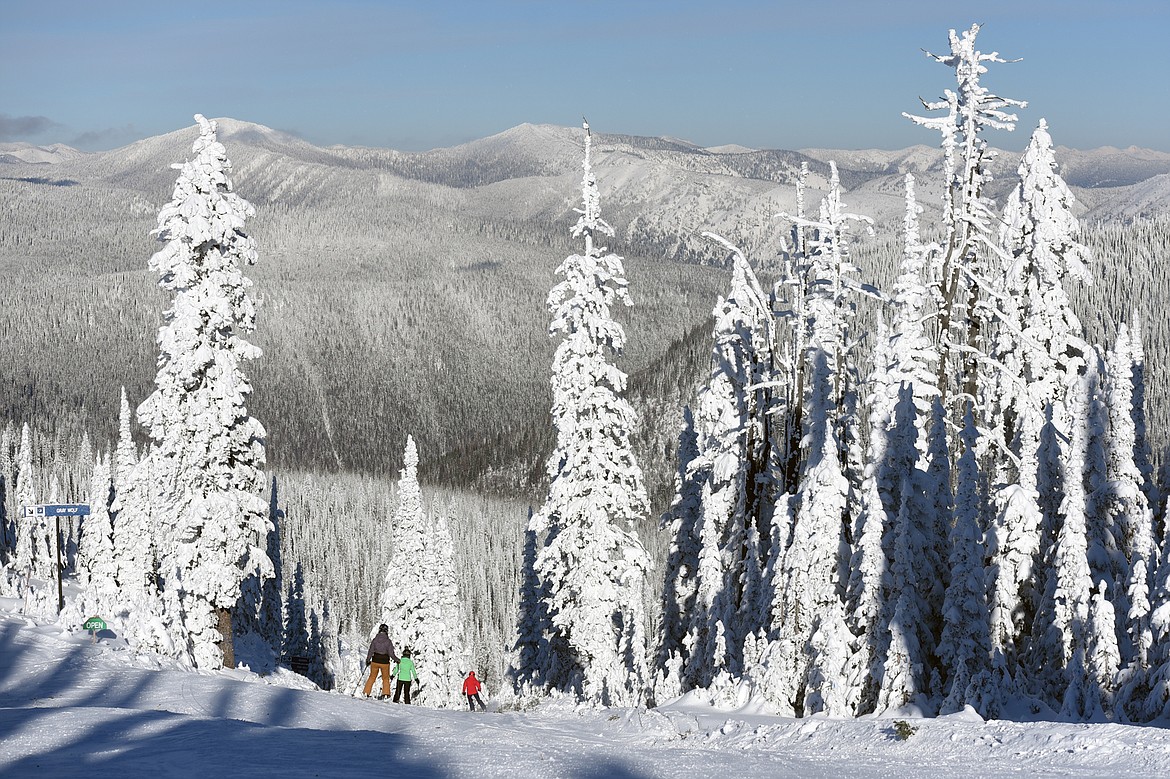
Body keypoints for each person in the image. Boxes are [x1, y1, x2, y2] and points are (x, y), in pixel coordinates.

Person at [362, 624, 399, 698]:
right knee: (385, 678)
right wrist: (397, 660)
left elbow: (371, 651)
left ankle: (366, 692)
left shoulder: (375, 640)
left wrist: (368, 660)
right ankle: (385, 694)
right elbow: (391, 654)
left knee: (372, 677)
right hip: (385, 662)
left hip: (375, 660)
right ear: (386, 631)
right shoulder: (388, 641)